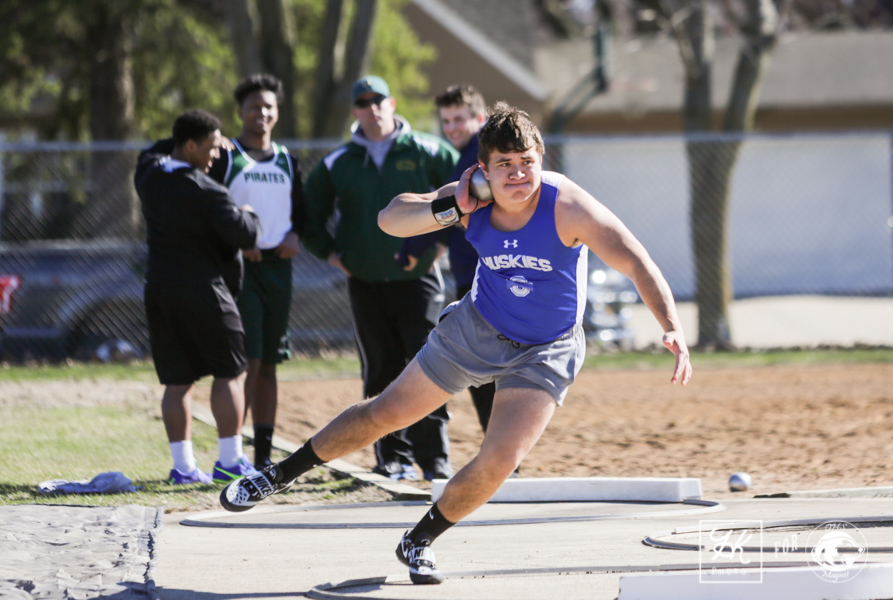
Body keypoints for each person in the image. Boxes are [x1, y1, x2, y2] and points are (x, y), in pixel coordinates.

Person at [219, 102, 692, 585]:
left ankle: (419, 540)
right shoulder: (471, 198)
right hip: (477, 325)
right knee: (386, 413)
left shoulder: (568, 207)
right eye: (504, 165)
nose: (517, 175)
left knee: (501, 458)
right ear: (483, 168)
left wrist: (670, 324)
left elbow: (637, 261)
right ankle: (278, 474)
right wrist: (451, 208)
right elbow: (390, 220)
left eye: (526, 162)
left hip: (546, 348)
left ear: (541, 160)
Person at [300, 75, 459, 481]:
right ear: (355, 110)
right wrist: (335, 256)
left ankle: (435, 460)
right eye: (363, 102)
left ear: (392, 103)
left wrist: (437, 246)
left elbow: (463, 197)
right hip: (366, 281)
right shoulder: (339, 161)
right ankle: (393, 458)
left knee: (430, 366)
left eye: (379, 100)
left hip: (418, 281)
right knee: (380, 370)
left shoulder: (426, 149)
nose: (373, 108)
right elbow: (307, 214)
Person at [134, 109, 261, 485]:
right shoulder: (207, 191)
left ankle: (184, 468)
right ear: (189, 145)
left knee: (177, 381)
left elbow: (153, 149)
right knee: (231, 373)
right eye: (210, 146)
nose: (216, 154)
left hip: (160, 290)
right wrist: (249, 213)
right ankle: (230, 461)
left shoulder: (149, 174)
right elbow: (246, 235)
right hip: (205, 289)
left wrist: (192, 136)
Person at [205, 74, 306, 470]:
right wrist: (237, 240)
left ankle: (264, 456)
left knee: (268, 363)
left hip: (279, 269)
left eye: (268, 107)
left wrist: (296, 234)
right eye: (253, 107)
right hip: (241, 268)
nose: (261, 113)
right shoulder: (226, 158)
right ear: (240, 112)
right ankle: (235, 453)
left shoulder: (287, 160)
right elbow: (211, 210)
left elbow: (302, 213)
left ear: (276, 112)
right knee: (244, 362)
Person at [398, 84, 496, 433]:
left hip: (483, 276)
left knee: (482, 368)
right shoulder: (472, 154)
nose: (451, 127)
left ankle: (502, 457)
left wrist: (410, 248)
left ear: (479, 118)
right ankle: (503, 455)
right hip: (481, 273)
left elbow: (450, 209)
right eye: (446, 121)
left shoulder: (476, 157)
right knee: (487, 367)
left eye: (459, 119)